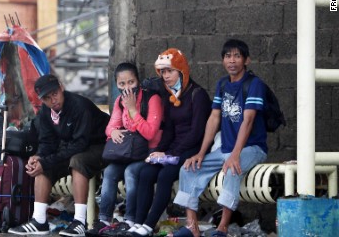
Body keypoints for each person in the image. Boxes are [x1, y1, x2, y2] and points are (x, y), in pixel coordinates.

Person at [171, 39, 268, 237]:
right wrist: (200, 153)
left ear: (246, 60)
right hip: (224, 149)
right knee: (188, 168)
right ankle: (192, 227)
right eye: (228, 56)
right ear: (223, 60)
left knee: (233, 169)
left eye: (237, 56)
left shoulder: (254, 84)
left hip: (251, 148)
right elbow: (214, 118)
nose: (232, 60)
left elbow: (248, 121)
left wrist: (235, 154)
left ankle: (222, 228)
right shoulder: (222, 84)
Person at [9, 73, 110, 236]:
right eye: (47, 98)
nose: (53, 100)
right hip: (75, 147)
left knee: (78, 161)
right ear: (42, 100)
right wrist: (39, 156)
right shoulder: (45, 113)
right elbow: (48, 142)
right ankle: (39, 221)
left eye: (55, 94)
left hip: (102, 145)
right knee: (42, 166)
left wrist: (46, 160)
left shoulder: (79, 106)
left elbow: (80, 144)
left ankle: (79, 222)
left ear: (61, 88)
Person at [125, 48, 211, 237]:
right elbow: (170, 131)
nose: (165, 76)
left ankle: (148, 225)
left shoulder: (198, 95)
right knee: (146, 172)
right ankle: (138, 224)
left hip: (192, 149)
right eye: (162, 72)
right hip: (173, 150)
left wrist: (170, 154)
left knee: (165, 176)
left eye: (169, 71)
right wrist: (159, 151)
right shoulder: (171, 97)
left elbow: (197, 132)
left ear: (181, 71)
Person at [86, 62, 164, 237]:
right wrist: (113, 131)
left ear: (138, 81)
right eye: (122, 84)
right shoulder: (119, 101)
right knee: (109, 172)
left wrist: (133, 111)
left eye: (131, 82)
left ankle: (130, 220)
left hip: (148, 154)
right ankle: (105, 220)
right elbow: (110, 127)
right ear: (117, 84)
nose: (127, 88)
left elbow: (151, 133)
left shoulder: (152, 99)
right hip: (128, 153)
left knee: (130, 172)